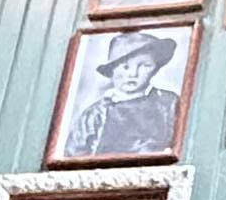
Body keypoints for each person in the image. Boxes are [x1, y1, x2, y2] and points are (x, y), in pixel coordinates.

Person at [67, 28, 184, 159]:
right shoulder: (97, 112)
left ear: (155, 70)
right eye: (125, 67)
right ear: (112, 71)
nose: (133, 74)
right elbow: (74, 153)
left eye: (144, 66)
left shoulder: (168, 103)